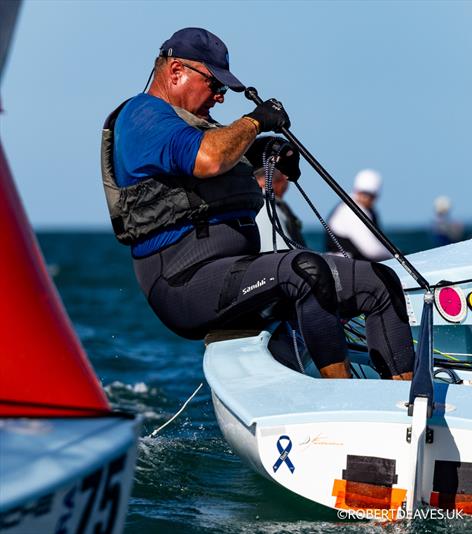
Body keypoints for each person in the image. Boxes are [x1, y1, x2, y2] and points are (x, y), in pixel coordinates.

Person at [100, 28, 413, 380]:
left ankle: (402, 403)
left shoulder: (187, 125)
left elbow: (211, 156)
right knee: (305, 272)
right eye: (214, 85)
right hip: (182, 283)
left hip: (233, 269)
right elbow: (209, 158)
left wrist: (264, 151)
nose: (219, 98)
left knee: (379, 282)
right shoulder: (144, 116)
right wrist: (255, 121)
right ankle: (344, 400)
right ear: (176, 71)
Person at [326, 169, 391, 261]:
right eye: (363, 193)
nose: (366, 198)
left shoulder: (368, 211)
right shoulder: (349, 210)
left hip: (359, 264)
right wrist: (396, 255)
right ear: (356, 191)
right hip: (345, 265)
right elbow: (372, 250)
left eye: (370, 195)